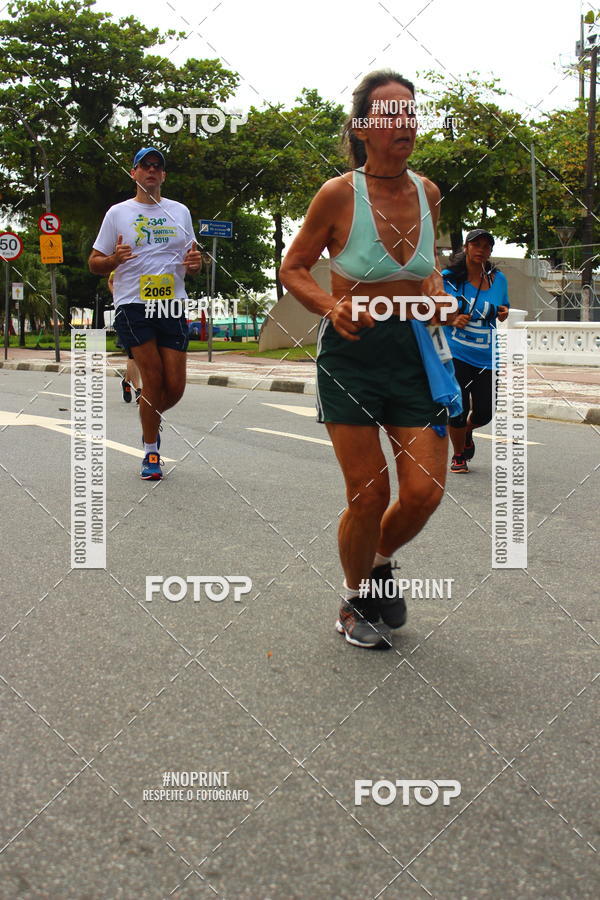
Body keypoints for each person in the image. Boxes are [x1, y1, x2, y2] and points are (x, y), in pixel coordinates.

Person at [280, 70, 462, 650]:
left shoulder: (428, 193)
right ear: (363, 129)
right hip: (354, 356)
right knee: (368, 492)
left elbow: (430, 267)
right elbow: (293, 268)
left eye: (410, 111)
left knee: (425, 492)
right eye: (390, 113)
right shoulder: (338, 195)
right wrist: (332, 307)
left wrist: (436, 294)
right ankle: (354, 601)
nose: (405, 122)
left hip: (415, 353)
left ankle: (378, 564)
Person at [89, 147, 202, 479]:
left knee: (176, 387)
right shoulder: (118, 213)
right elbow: (94, 262)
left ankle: (148, 421)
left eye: (157, 167)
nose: (151, 171)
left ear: (163, 175)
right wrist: (114, 260)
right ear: (134, 173)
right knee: (152, 378)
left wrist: (196, 265)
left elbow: (191, 259)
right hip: (133, 305)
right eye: (145, 166)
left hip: (171, 304)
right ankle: (151, 451)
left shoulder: (179, 212)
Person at [442, 230, 510, 474]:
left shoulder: (498, 280)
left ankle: (468, 431)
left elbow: (504, 309)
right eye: (476, 244)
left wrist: (503, 313)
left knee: (485, 412)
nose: (481, 249)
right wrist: (451, 320)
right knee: (458, 407)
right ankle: (458, 455)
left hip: (487, 357)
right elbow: (430, 311)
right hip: (456, 353)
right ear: (466, 248)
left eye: (486, 246)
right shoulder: (448, 279)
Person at [107, 270, 142, 403]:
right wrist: (117, 296)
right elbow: (110, 280)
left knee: (139, 356)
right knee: (133, 354)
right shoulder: (124, 264)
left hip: (147, 315)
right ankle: (139, 390)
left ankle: (127, 381)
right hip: (126, 316)